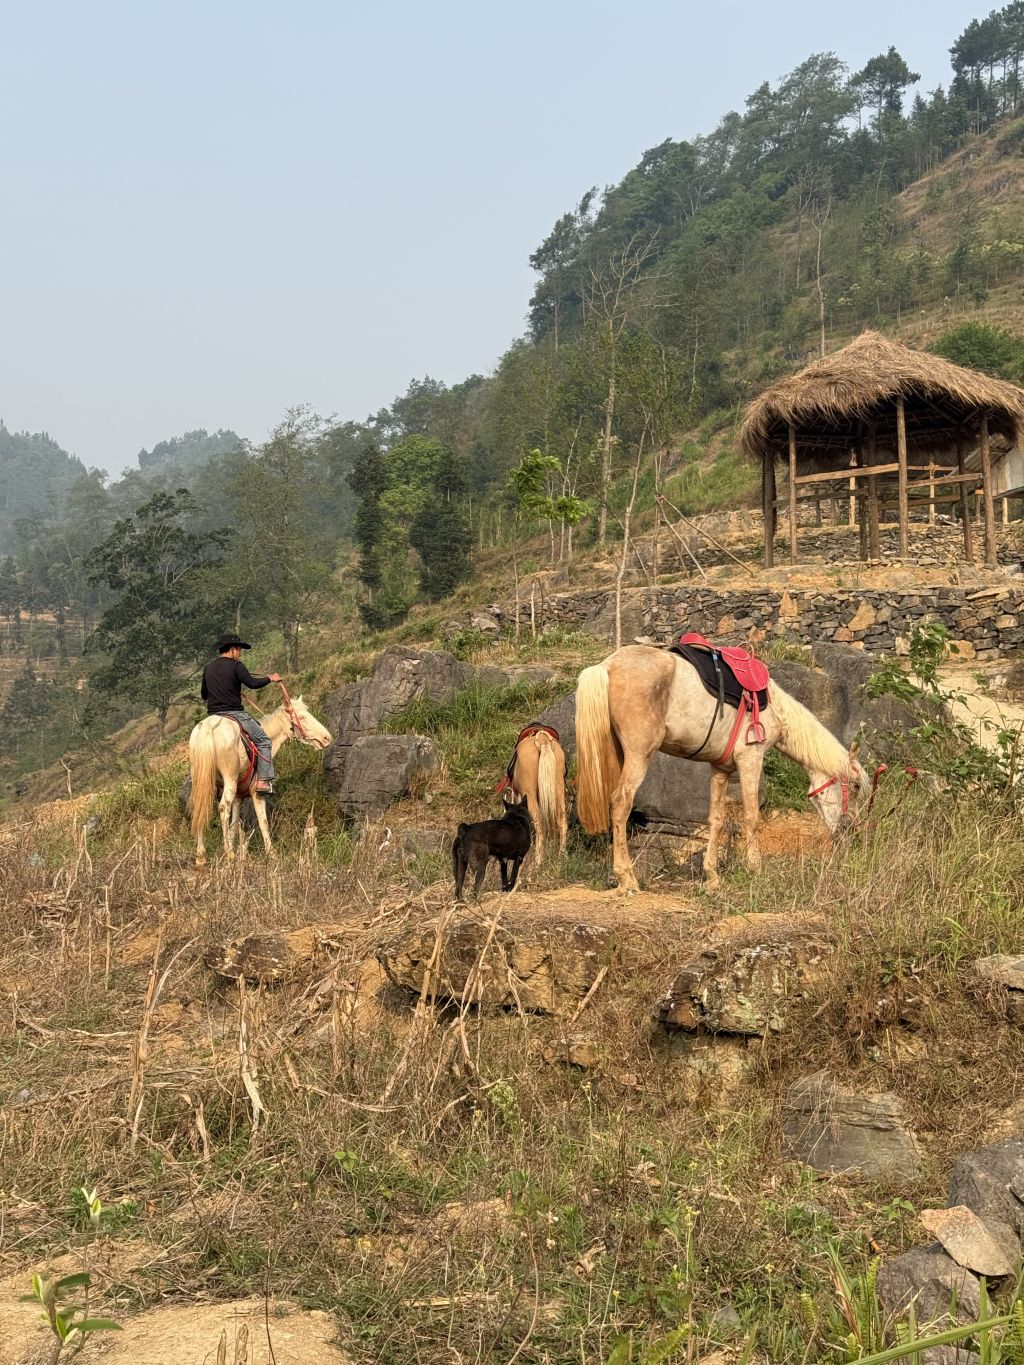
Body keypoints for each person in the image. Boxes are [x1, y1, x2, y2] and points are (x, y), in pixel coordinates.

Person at [201, 633, 282, 794]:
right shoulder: (236, 666)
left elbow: (204, 694)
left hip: (213, 715)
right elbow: (252, 683)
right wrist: (270, 678)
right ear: (232, 650)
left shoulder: (208, 668)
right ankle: (263, 782)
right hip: (234, 714)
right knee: (264, 740)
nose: (239, 654)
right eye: (239, 650)